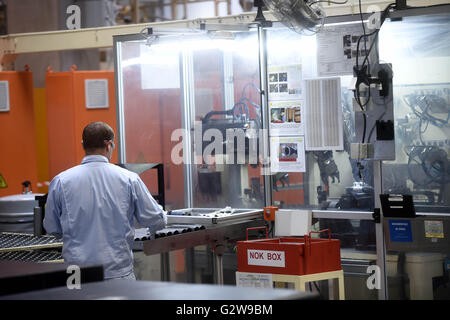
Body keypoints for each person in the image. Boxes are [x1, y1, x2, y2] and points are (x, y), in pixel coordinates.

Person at [44, 121, 167, 280]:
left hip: (76, 275)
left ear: (83, 145)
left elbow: (52, 228)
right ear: (109, 145)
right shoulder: (128, 179)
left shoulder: (61, 181)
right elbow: (155, 219)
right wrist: (163, 214)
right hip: (118, 274)